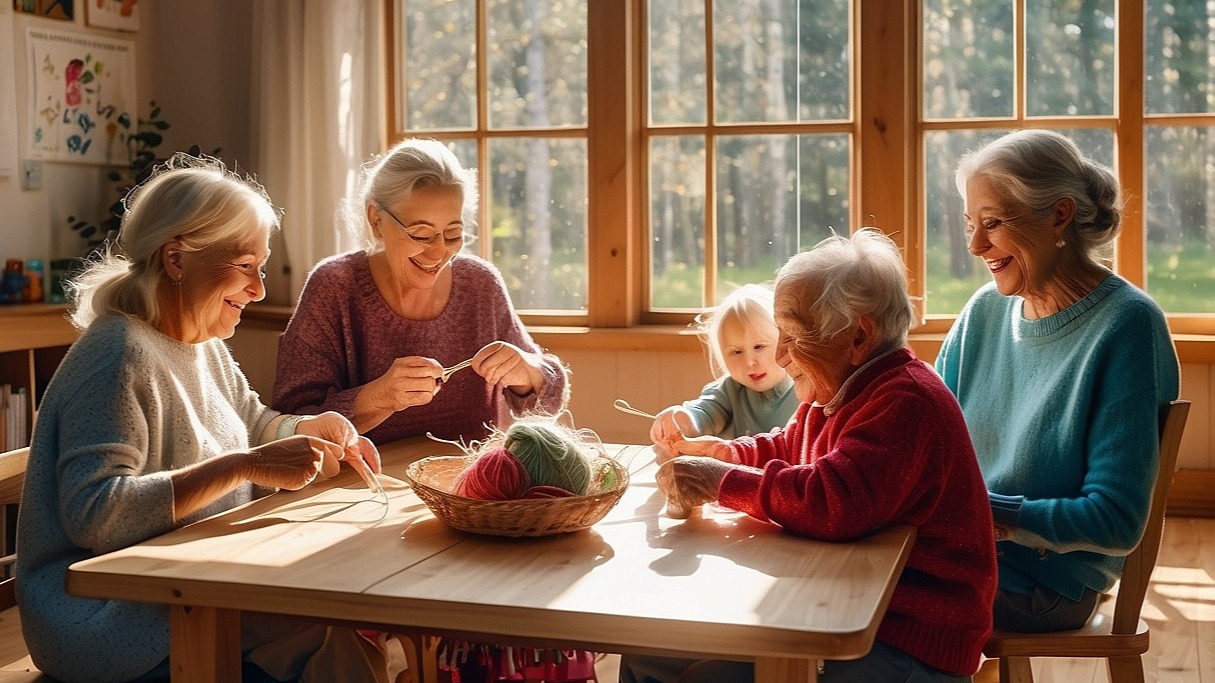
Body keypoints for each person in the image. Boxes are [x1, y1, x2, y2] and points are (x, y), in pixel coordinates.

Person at [15, 153, 391, 683]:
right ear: (176, 260)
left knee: (333, 629)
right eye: (245, 266)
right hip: (101, 616)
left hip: (177, 580)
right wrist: (243, 466)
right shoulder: (118, 355)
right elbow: (96, 515)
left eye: (261, 268)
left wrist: (307, 430)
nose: (258, 290)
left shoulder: (200, 341)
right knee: (324, 634)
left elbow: (251, 422)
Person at [623, 229, 997, 682]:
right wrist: (728, 452)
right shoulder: (840, 389)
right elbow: (789, 445)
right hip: (845, 605)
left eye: (793, 335)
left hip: (905, 638)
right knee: (645, 653)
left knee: (708, 677)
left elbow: (831, 500)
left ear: (859, 335)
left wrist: (719, 481)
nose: (780, 356)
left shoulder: (905, 402)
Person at [935, 129, 1181, 633]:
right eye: (970, 225)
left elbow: (1115, 520)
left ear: (1058, 215)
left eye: (993, 223)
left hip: (1045, 583)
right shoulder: (983, 312)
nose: (976, 245)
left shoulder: (1127, 325)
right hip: (961, 549)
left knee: (863, 595)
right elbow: (922, 437)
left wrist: (982, 511)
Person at [272, 137, 569, 445]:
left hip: (466, 474)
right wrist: (381, 397)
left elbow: (548, 401)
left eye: (452, 234)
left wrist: (529, 374)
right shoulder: (334, 286)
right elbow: (291, 422)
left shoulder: (480, 284)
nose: (439, 253)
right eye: (421, 234)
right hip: (366, 475)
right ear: (376, 220)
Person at [649, 283, 798, 459]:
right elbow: (704, 414)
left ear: (785, 341)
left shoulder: (805, 390)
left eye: (759, 347)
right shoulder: (729, 391)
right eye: (736, 352)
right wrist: (680, 420)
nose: (749, 362)